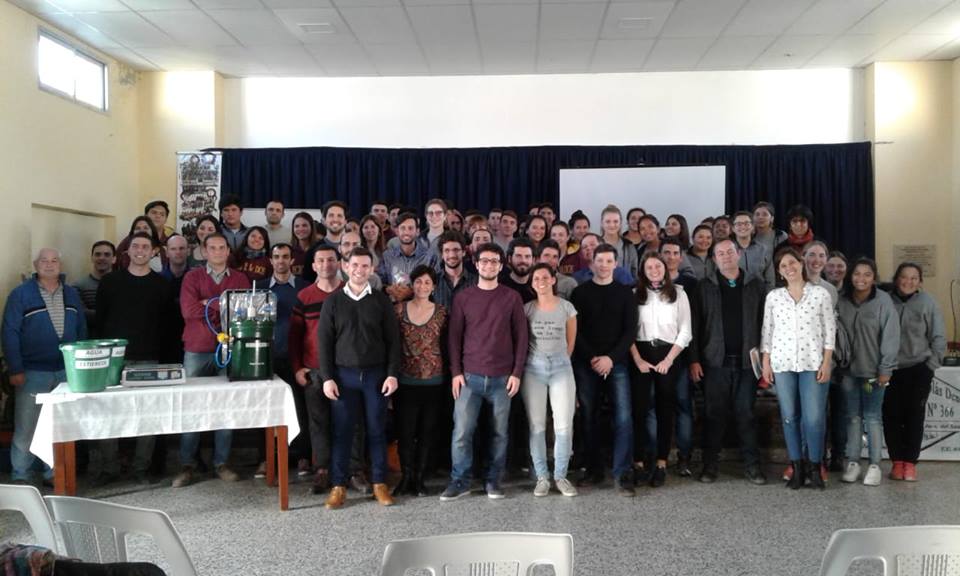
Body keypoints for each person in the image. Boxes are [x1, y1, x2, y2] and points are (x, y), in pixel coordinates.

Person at [441, 243, 528, 501]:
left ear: (501, 266)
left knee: (500, 434)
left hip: (503, 378)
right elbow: (454, 338)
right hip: (469, 378)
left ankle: (494, 480)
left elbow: (521, 337)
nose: (489, 265)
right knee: (461, 433)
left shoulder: (512, 297)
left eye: (494, 261)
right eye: (485, 261)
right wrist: (456, 372)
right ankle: (460, 481)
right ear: (476, 264)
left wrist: (517, 373)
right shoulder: (463, 298)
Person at [318, 247, 401, 509]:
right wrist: (327, 377)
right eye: (354, 265)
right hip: (343, 377)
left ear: (372, 269)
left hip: (376, 376)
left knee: (376, 430)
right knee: (342, 432)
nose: (359, 270)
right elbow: (324, 343)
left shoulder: (381, 301)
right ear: (345, 267)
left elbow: (393, 341)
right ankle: (338, 486)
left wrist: (392, 374)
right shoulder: (333, 302)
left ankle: (379, 483)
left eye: (365, 266)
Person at [173, 233, 252, 488]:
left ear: (228, 251)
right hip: (197, 350)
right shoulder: (192, 277)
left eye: (221, 247)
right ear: (204, 252)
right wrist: (223, 305)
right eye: (212, 248)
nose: (217, 252)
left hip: (230, 349)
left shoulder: (240, 279)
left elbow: (243, 313)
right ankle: (187, 465)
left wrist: (208, 303)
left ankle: (221, 463)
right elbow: (188, 311)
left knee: (225, 407)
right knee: (191, 406)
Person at [3, 248, 86, 485]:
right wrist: (15, 368)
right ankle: (21, 475)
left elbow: (81, 329)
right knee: (26, 426)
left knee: (58, 427)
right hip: (32, 372)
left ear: (60, 264)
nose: (49, 265)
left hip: (65, 372)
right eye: (44, 261)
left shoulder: (71, 293)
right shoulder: (21, 294)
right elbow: (9, 332)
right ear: (35, 264)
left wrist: (78, 366)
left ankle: (53, 473)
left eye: (54, 260)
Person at [95, 232, 173, 483]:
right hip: (113, 359)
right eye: (135, 246)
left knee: (147, 417)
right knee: (109, 415)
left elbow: (167, 325)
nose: (140, 250)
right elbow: (99, 321)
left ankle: (141, 468)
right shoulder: (110, 282)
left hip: (150, 358)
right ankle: (110, 468)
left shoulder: (162, 284)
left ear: (154, 252)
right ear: (127, 251)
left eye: (145, 247)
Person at [688, 239, 767, 485]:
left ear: (739, 253)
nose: (725, 256)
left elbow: (766, 324)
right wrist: (694, 360)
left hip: (748, 363)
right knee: (714, 415)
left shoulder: (756, 285)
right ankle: (710, 466)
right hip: (714, 363)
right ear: (714, 259)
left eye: (729, 252)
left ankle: (752, 467)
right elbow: (695, 326)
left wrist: (766, 360)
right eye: (720, 253)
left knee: (746, 414)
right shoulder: (704, 287)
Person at [290, 245, 365, 495]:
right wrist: (297, 368)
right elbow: (294, 337)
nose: (326, 265)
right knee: (318, 423)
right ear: (313, 266)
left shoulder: (351, 292)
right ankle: (322, 469)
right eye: (320, 261)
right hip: (314, 370)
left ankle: (354, 471)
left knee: (352, 421)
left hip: (347, 369)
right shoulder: (304, 296)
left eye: (331, 260)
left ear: (340, 263)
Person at [761, 247, 835, 490]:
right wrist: (766, 362)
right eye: (783, 266)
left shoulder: (820, 294)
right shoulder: (774, 297)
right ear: (779, 272)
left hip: (813, 363)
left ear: (801, 263)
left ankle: (815, 467)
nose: (789, 268)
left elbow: (829, 331)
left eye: (792, 262)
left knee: (813, 418)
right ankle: (797, 468)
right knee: (789, 417)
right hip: (782, 364)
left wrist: (827, 362)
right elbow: (768, 331)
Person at [570, 243, 638, 495]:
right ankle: (594, 470)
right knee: (589, 416)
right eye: (600, 261)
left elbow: (630, 331)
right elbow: (575, 332)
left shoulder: (625, 293)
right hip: (586, 363)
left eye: (609, 261)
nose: (604, 265)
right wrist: (593, 358)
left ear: (616, 264)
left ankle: (622, 473)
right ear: (592, 263)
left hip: (616, 363)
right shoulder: (580, 293)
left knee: (623, 417)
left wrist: (610, 358)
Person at [630, 252, 691, 488]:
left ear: (665, 268)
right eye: (649, 267)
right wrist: (638, 359)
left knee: (666, 408)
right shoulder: (635, 294)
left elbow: (685, 331)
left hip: (669, 354)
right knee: (640, 409)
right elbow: (628, 331)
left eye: (658, 266)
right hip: (641, 354)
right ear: (643, 271)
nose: (654, 270)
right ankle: (638, 462)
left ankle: (661, 462)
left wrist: (669, 359)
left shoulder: (679, 294)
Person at [837, 257, 900, 487]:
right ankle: (853, 462)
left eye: (867, 274)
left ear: (874, 278)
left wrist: (886, 368)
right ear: (850, 276)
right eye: (857, 274)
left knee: (873, 417)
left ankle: (874, 465)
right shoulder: (842, 300)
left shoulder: (883, 301)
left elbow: (891, 337)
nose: (861, 279)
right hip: (848, 372)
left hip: (874, 372)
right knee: (852, 417)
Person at [519, 263, 579, 497]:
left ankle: (561, 476)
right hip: (533, 369)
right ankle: (542, 477)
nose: (541, 282)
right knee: (536, 425)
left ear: (553, 280)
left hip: (561, 369)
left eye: (545, 277)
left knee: (563, 425)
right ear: (532, 283)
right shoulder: (526, 309)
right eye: (536, 278)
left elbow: (571, 342)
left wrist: (561, 360)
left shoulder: (567, 307)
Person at [252, 243, 309, 478]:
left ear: (292, 260)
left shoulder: (304, 287)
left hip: (297, 358)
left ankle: (303, 456)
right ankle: (266, 458)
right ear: (271, 260)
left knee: (300, 408)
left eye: (285, 256)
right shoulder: (258, 288)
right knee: (264, 409)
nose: (281, 261)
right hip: (266, 357)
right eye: (276, 257)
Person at [885, 262, 946, 482]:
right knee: (891, 416)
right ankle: (897, 462)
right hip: (890, 370)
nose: (908, 281)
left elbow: (938, 335)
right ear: (896, 279)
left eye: (914, 278)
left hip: (919, 368)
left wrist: (931, 365)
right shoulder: (885, 300)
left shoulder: (928, 302)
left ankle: (910, 463)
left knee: (914, 416)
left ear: (920, 281)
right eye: (904, 277)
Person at [392, 265, 448, 497]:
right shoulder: (398, 310)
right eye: (418, 281)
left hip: (434, 382)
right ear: (412, 284)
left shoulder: (442, 312)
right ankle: (406, 476)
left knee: (427, 432)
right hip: (405, 382)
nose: (422, 286)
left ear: (433, 287)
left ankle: (420, 478)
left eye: (427, 282)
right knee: (405, 432)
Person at [657, 237, 698, 475]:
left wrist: (693, 359)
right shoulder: (649, 283)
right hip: (655, 356)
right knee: (655, 406)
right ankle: (655, 456)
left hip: (682, 356)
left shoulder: (690, 285)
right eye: (666, 252)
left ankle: (684, 457)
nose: (671, 257)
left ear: (681, 258)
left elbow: (693, 325)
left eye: (675, 253)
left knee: (683, 405)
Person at [379, 212, 437, 303]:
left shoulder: (429, 256)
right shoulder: (387, 256)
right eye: (403, 228)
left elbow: (435, 285)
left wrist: (411, 292)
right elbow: (381, 283)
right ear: (397, 231)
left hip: (421, 305)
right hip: (394, 306)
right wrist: (388, 289)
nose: (406, 232)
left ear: (417, 231)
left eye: (410, 228)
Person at [72, 241, 116, 336]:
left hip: (117, 338)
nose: (102, 258)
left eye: (107, 255)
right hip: (89, 339)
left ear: (114, 259)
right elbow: (81, 314)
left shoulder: (122, 285)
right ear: (92, 258)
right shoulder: (79, 286)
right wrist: (113, 315)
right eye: (97, 254)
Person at [433, 230, 477, 309]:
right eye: (447, 250)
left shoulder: (476, 282)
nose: (452, 255)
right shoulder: (433, 281)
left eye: (456, 250)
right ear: (442, 254)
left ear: (464, 252)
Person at [731, 211, 771, 285]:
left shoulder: (763, 249)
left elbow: (770, 278)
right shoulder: (727, 250)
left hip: (759, 290)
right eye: (739, 224)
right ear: (733, 228)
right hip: (734, 289)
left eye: (747, 223)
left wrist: (769, 292)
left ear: (752, 226)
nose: (743, 227)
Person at [600, 205, 638, 281]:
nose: (612, 225)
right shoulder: (594, 245)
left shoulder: (629, 246)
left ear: (620, 223)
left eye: (615, 221)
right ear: (602, 223)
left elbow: (635, 273)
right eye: (608, 221)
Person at [501, 237, 536, 303]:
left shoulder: (538, 287)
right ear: (509, 258)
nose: (523, 260)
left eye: (527, 256)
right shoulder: (500, 286)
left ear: (533, 260)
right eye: (518, 256)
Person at [803, 241, 839, 305]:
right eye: (812, 255)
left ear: (826, 259)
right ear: (803, 257)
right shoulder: (792, 286)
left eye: (821, 256)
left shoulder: (831, 290)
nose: (817, 260)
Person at [290, 211, 317, 277]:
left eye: (304, 225)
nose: (300, 229)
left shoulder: (319, 249)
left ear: (311, 227)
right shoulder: (289, 251)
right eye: (297, 226)